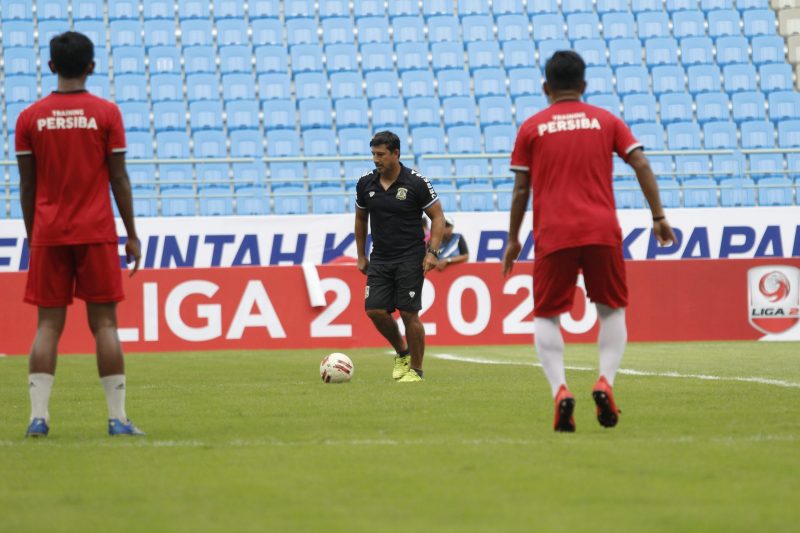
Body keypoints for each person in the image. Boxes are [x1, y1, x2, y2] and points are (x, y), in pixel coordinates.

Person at [501, 51, 677, 432]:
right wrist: (658, 217)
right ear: (583, 86)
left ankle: (561, 391)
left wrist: (513, 238)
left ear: (546, 87)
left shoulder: (531, 128)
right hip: (601, 231)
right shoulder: (606, 120)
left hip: (554, 233)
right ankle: (604, 381)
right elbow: (642, 163)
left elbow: (520, 190)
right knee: (611, 309)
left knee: (547, 315)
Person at [16, 32, 144, 437]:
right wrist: (132, 233)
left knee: (47, 326)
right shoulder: (107, 113)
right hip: (96, 231)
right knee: (105, 324)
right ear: (91, 66)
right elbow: (119, 178)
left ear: (51, 66)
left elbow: (26, 187)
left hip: (48, 234)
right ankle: (117, 419)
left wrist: (33, 234)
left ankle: (38, 418)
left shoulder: (29, 118)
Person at [355, 131, 445, 382]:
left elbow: (438, 217)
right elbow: (361, 219)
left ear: (396, 154)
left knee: (408, 313)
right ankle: (402, 352)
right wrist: (361, 255)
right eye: (373, 154)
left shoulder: (416, 182)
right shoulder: (365, 183)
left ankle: (416, 370)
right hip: (380, 257)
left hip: (410, 256)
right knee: (374, 310)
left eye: (381, 154)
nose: (376, 159)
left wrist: (433, 252)